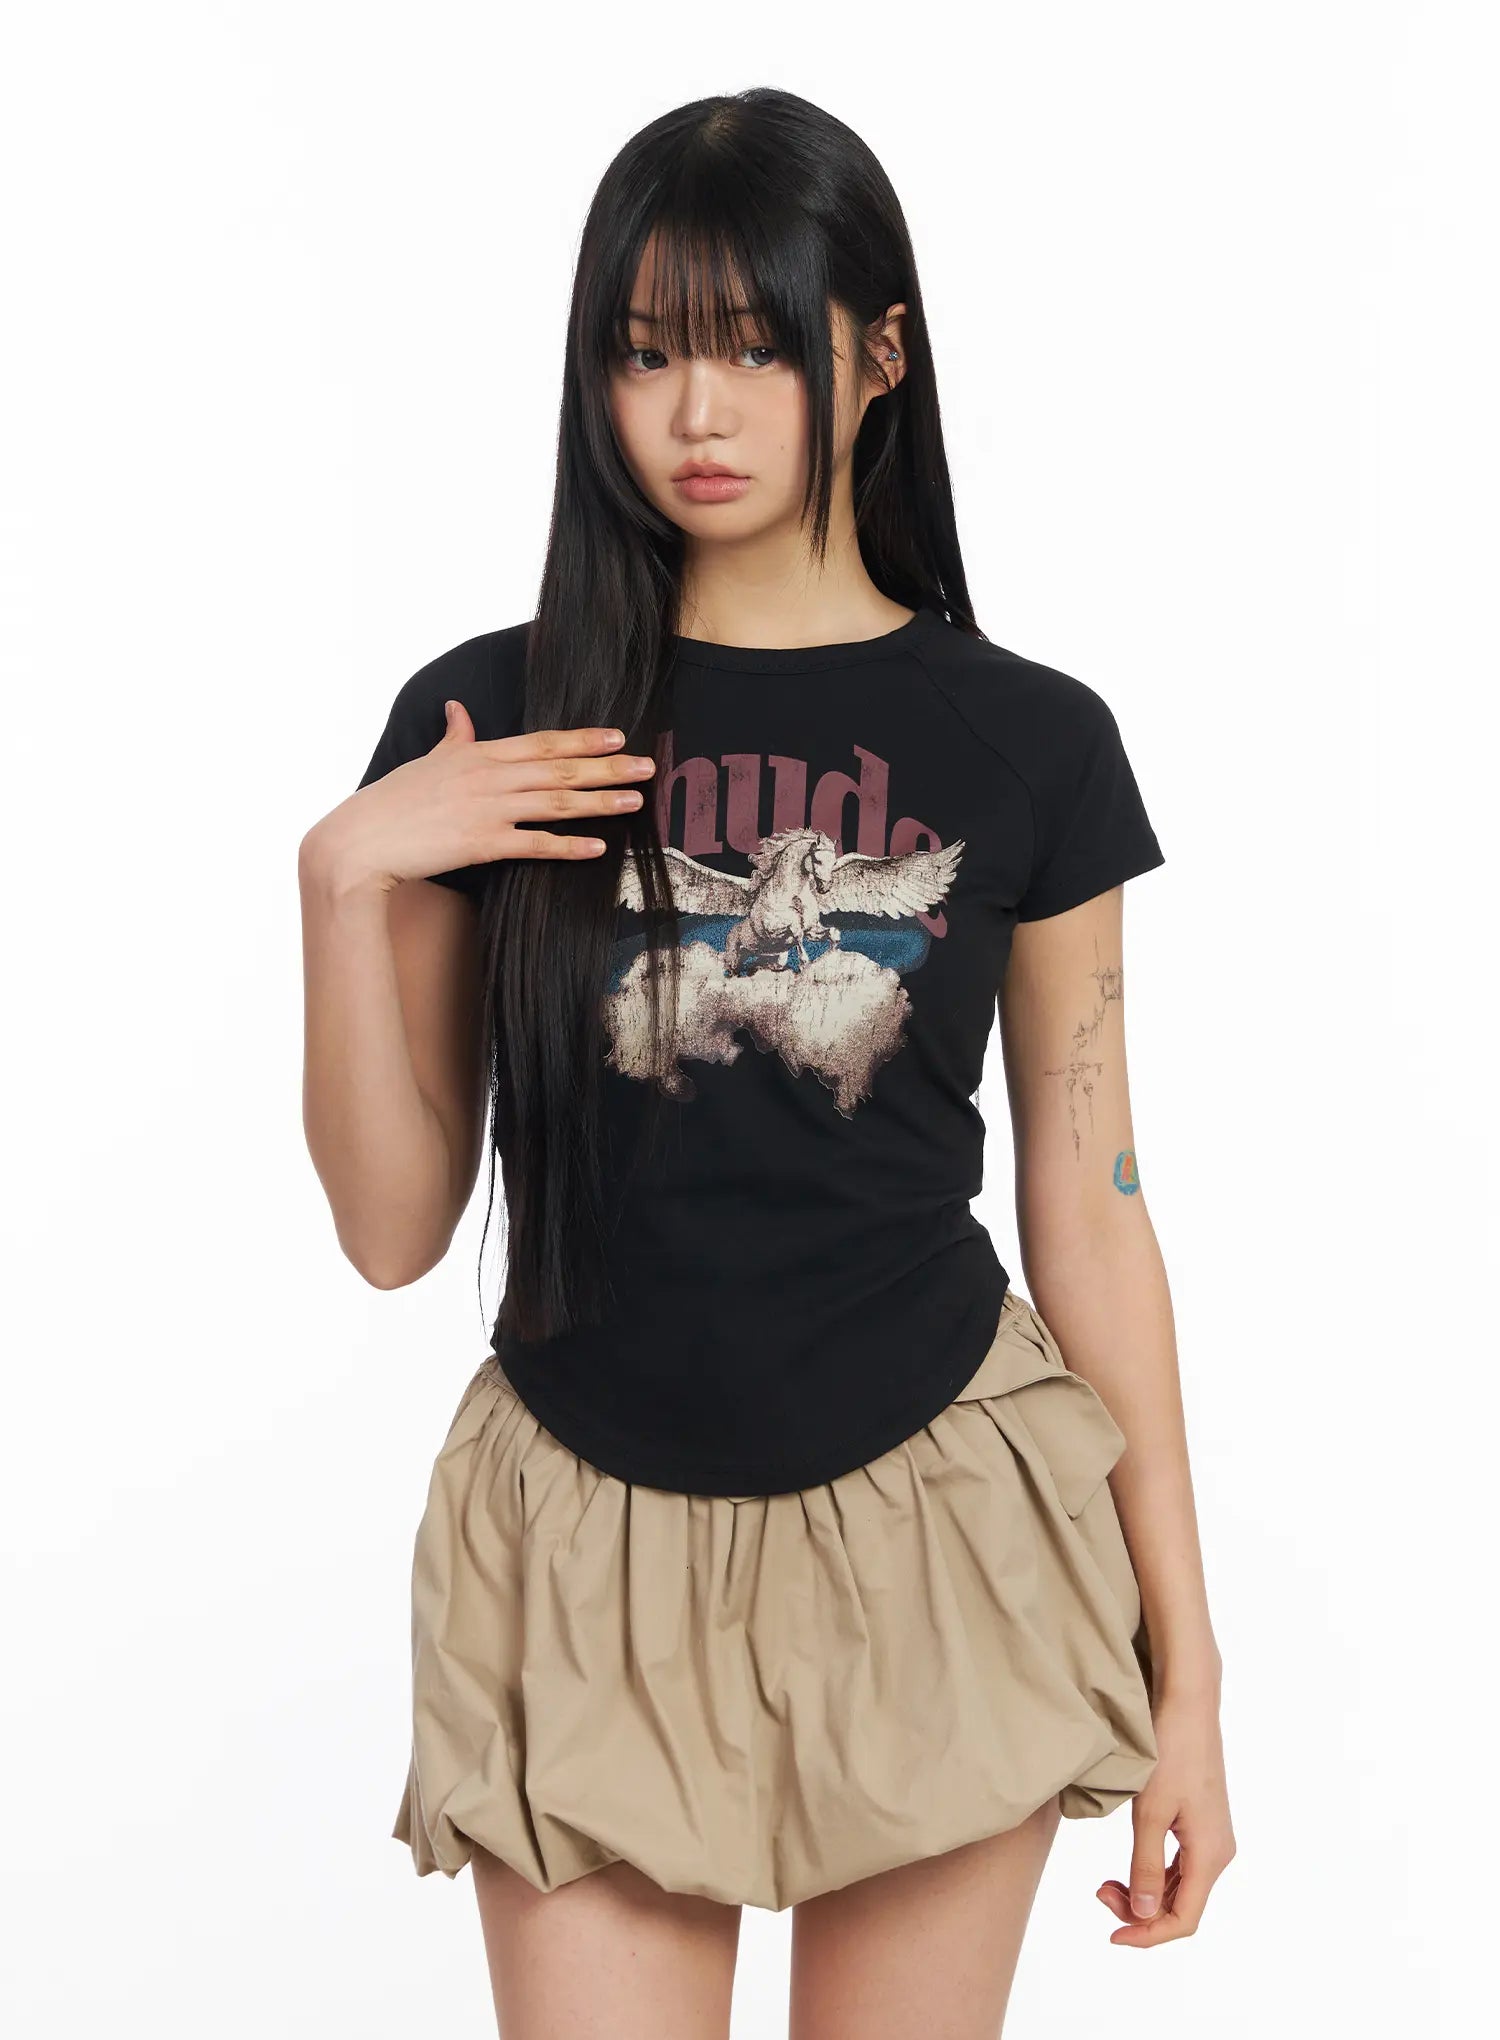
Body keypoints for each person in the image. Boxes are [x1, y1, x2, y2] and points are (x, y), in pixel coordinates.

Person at [300, 84, 1233, 2040]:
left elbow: (1095, 1205)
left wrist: (1192, 1677)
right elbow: (393, 1234)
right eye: (644, 353)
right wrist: (344, 873)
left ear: (879, 355)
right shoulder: (490, 721)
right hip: (584, 1529)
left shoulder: (1033, 744)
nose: (696, 411)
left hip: (939, 1515)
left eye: (753, 345)